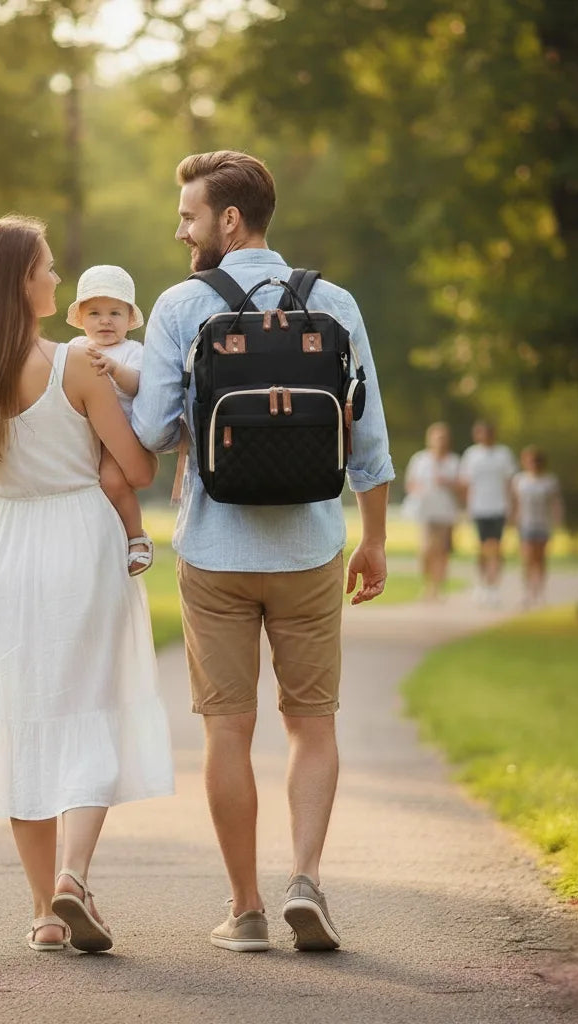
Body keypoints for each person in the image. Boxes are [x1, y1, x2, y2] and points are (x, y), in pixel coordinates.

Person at [132, 151, 394, 953]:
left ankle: (245, 910)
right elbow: (369, 440)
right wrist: (375, 541)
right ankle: (305, 880)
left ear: (229, 219)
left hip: (215, 552)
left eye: (189, 216)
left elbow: (153, 431)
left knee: (227, 732)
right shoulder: (335, 303)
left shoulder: (181, 305)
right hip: (311, 550)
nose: (182, 231)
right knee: (312, 725)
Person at [0, 216, 174, 954]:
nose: (58, 279)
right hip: (83, 537)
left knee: (24, 718)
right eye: (48, 268)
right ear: (22, 283)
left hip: (12, 549)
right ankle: (74, 877)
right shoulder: (79, 365)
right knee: (92, 705)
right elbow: (138, 469)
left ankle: (43, 915)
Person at [67, 264, 153, 575]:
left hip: (119, 437)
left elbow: (138, 385)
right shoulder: (75, 348)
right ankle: (95, 540)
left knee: (113, 482)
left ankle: (136, 537)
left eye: (115, 313)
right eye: (95, 313)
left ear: (129, 319)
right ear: (81, 319)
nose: (105, 320)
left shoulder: (132, 351)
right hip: (82, 434)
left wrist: (114, 369)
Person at [458, 420, 516, 605]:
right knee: (481, 549)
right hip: (478, 508)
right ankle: (482, 584)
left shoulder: (503, 454)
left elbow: (510, 483)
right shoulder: (471, 455)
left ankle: (494, 586)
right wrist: (466, 507)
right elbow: (466, 484)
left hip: (499, 507)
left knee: (497, 548)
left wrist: (513, 508)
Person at [404, 422, 460, 601]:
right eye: (437, 438)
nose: (440, 441)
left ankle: (438, 588)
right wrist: (418, 491)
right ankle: (428, 583)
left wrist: (447, 482)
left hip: (446, 511)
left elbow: (462, 487)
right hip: (425, 511)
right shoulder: (420, 460)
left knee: (442, 551)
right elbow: (410, 483)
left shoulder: (453, 461)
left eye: (443, 438)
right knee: (426, 550)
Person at [511, 445, 563, 606]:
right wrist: (513, 519)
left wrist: (557, 519)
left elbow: (555, 502)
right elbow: (515, 502)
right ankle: (527, 592)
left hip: (543, 523)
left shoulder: (550, 481)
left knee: (540, 559)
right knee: (527, 559)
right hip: (525, 523)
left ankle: (539, 591)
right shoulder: (519, 480)